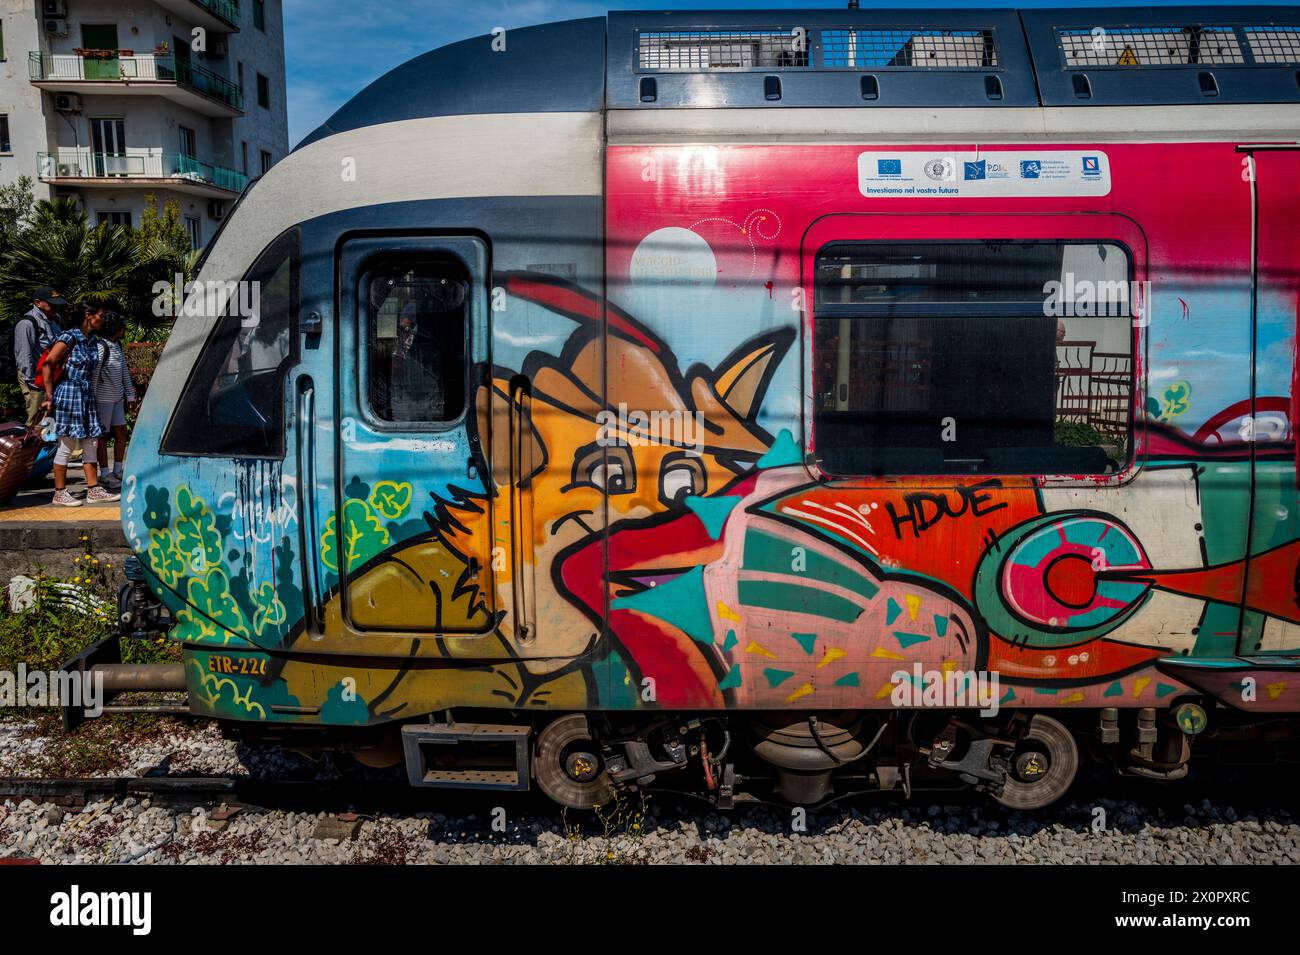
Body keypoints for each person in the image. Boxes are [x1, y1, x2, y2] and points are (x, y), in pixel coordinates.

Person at [38, 304, 120, 507]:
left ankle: (93, 490)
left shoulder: (92, 341)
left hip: (86, 395)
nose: (103, 319)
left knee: (90, 442)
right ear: (88, 315)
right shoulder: (69, 337)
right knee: (66, 444)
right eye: (101, 315)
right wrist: (49, 396)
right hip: (69, 393)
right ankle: (59, 492)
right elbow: (49, 364)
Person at [92, 309, 137, 490]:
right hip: (102, 399)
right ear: (113, 327)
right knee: (102, 437)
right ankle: (104, 474)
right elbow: (95, 375)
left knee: (121, 433)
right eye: (121, 325)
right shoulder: (101, 346)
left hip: (117, 398)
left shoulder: (116, 345)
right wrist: (92, 399)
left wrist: (130, 395)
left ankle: (118, 469)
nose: (124, 328)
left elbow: (124, 371)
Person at [13, 286, 66, 423]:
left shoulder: (56, 319)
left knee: (51, 421)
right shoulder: (27, 323)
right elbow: (24, 355)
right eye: (51, 303)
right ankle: (32, 444)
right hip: (35, 378)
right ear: (37, 303)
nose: (56, 307)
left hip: (53, 375)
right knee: (37, 420)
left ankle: (46, 445)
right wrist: (32, 383)